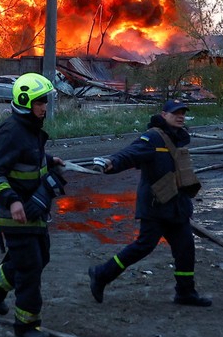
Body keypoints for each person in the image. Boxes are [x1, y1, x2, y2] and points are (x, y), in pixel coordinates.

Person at [87, 100, 211, 307]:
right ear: (164, 115)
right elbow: (131, 153)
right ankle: (101, 274)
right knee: (143, 246)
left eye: (182, 113)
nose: (180, 116)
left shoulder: (178, 138)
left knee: (186, 247)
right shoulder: (152, 137)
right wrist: (111, 162)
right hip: (156, 206)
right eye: (175, 113)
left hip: (176, 206)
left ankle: (185, 293)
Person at [0, 72, 67, 337]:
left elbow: (29, 156)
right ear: (26, 101)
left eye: (46, 102)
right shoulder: (11, 131)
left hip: (33, 208)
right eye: (41, 102)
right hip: (13, 212)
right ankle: (27, 324)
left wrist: (49, 160)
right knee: (29, 266)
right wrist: (13, 200)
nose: (45, 107)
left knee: (42, 257)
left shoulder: (30, 128)